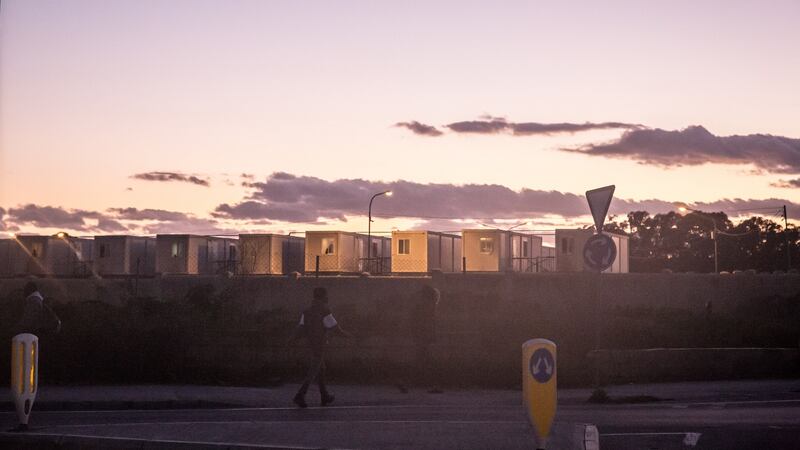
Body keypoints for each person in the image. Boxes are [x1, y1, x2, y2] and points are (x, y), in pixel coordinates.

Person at [290, 287, 351, 408]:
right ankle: (300, 395)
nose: (327, 298)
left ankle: (324, 395)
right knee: (314, 370)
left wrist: (291, 340)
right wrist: (349, 335)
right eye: (326, 296)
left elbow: (301, 328)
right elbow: (335, 328)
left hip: (311, 343)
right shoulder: (324, 310)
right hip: (320, 343)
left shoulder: (307, 311)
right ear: (323, 297)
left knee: (321, 369)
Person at [399, 283, 441, 393]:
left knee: (421, 360)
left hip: (422, 336)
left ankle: (409, 383)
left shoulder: (423, 307)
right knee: (424, 361)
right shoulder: (429, 307)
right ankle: (430, 384)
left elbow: (417, 322)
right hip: (424, 336)